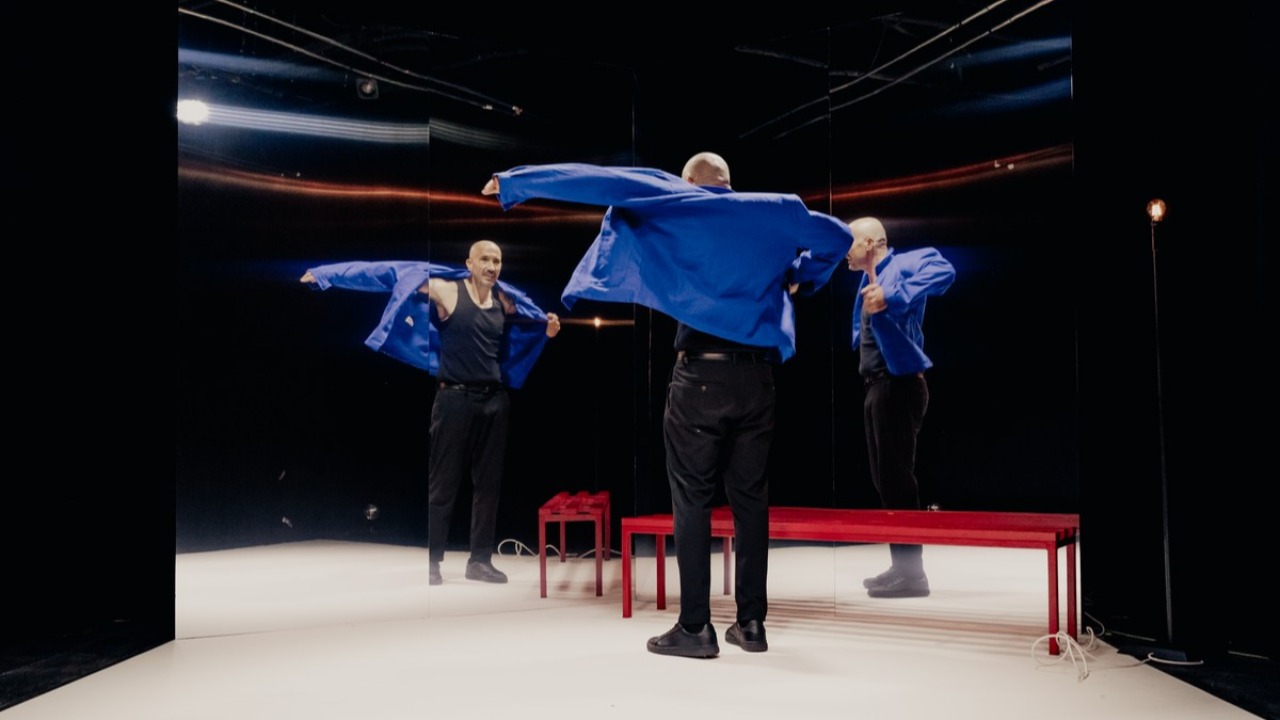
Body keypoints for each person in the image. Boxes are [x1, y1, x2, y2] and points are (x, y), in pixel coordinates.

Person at [483, 152, 854, 657]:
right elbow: (839, 238)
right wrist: (801, 275)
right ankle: (750, 625)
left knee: (692, 501)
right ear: (728, 180)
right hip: (758, 379)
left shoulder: (679, 199)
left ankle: (696, 628)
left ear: (691, 181)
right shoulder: (775, 210)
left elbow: (603, 181)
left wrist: (515, 182)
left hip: (700, 376)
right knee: (751, 503)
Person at [300, 241, 561, 586]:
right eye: (485, 258)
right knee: (444, 483)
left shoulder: (505, 299)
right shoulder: (446, 290)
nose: (492, 265)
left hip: (495, 401)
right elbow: (387, 272)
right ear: (469, 262)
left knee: (489, 486)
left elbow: (533, 322)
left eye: (497, 260)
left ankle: (479, 561)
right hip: (453, 399)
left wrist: (549, 329)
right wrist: (326, 275)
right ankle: (433, 561)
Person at [843, 217, 955, 598]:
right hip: (878, 387)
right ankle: (901, 567)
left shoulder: (903, 265)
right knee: (886, 482)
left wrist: (894, 296)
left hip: (900, 386)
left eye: (852, 243)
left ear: (872, 243)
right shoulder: (864, 277)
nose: (847, 250)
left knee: (898, 482)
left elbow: (944, 269)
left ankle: (913, 575)